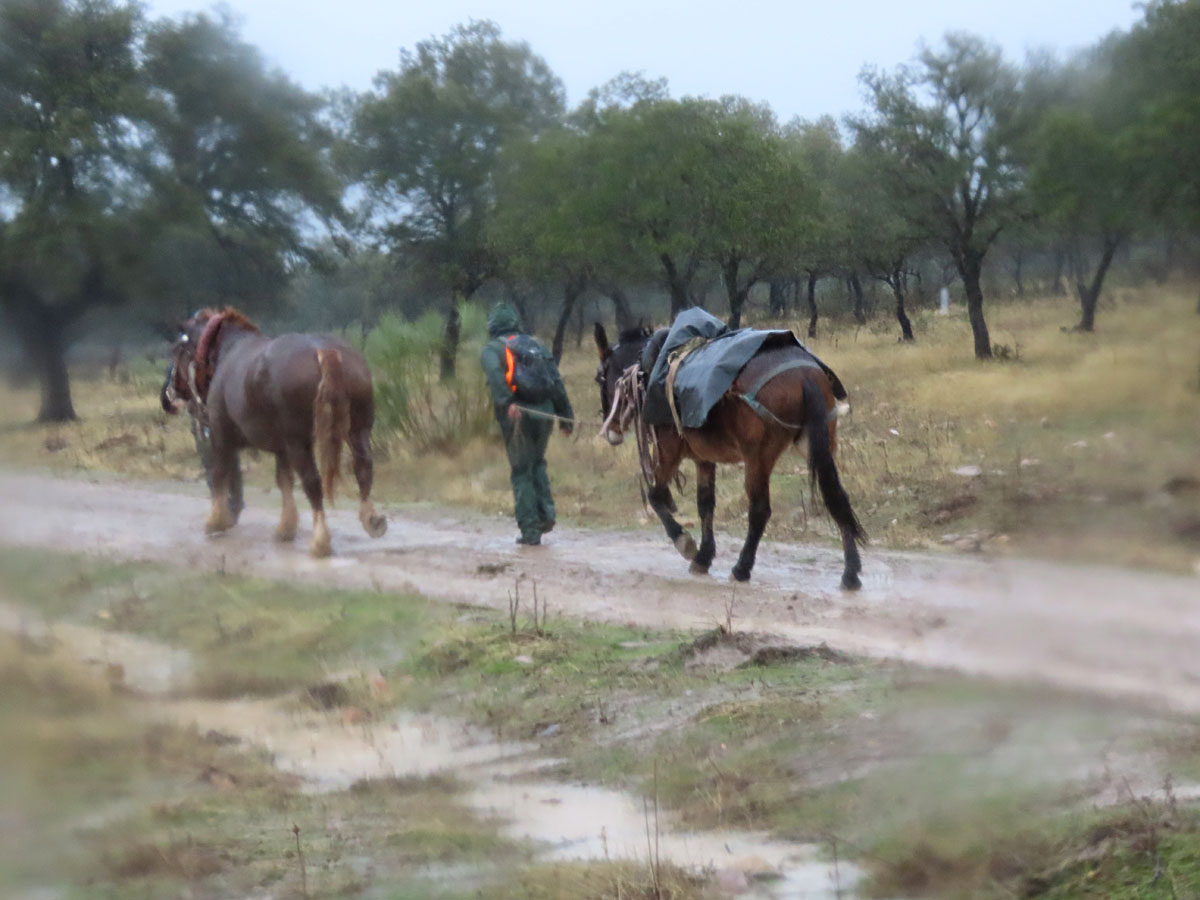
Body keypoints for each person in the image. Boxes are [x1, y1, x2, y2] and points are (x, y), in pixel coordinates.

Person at [480, 302, 573, 545]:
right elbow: (556, 380)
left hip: (517, 414)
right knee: (538, 463)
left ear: (492, 326)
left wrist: (507, 402)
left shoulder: (492, 350)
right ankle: (546, 514)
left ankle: (530, 531)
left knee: (521, 470)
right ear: (516, 323)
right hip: (546, 413)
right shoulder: (536, 344)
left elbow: (495, 376)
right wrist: (566, 417)